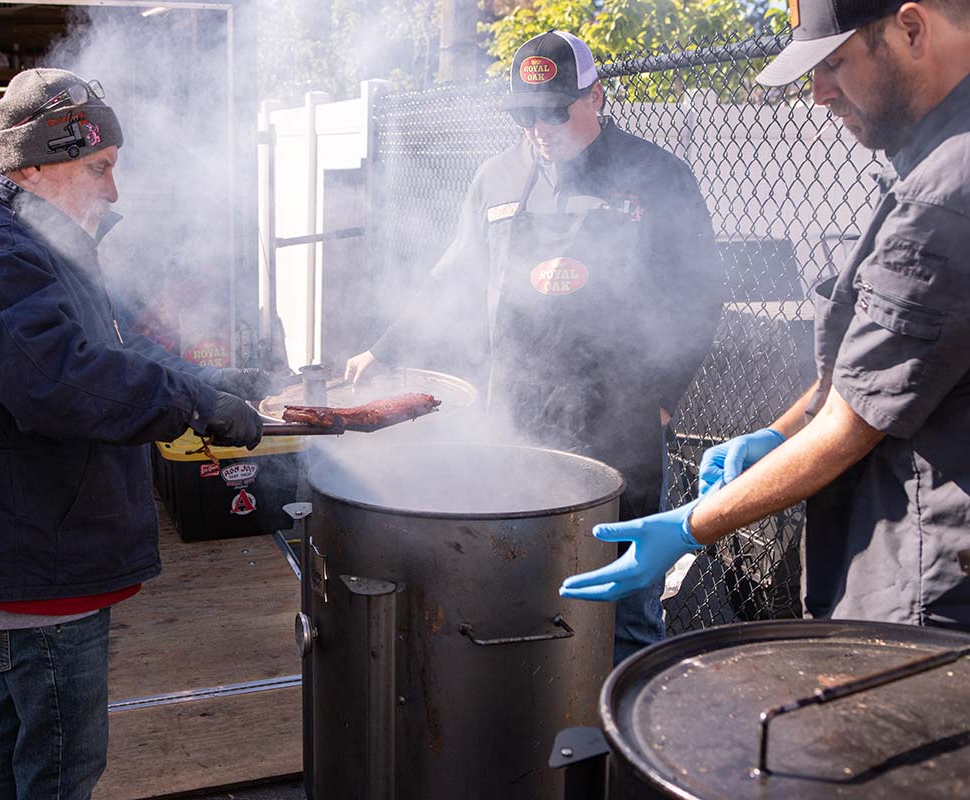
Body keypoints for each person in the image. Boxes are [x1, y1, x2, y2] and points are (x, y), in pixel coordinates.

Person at [0, 68, 270, 799]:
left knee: (19, 731)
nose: (113, 191)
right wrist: (189, 404)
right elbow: (57, 383)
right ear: (33, 164)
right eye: (99, 168)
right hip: (29, 561)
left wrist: (224, 388)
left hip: (27, 557)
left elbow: (114, 351)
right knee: (63, 765)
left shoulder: (41, 247)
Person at [560, 0, 970, 632]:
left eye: (834, 63)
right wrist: (778, 434)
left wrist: (694, 524)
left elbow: (850, 425)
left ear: (912, 30)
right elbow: (866, 369)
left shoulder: (944, 193)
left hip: (932, 574)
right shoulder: (933, 159)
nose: (818, 93)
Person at [346, 31, 724, 661]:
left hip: (620, 420)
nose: (539, 126)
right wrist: (383, 349)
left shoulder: (656, 177)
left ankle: (616, 747)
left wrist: (664, 396)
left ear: (596, 96)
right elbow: (455, 274)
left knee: (627, 604)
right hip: (520, 415)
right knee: (523, 586)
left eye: (554, 108)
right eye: (525, 112)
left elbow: (700, 292)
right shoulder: (496, 177)